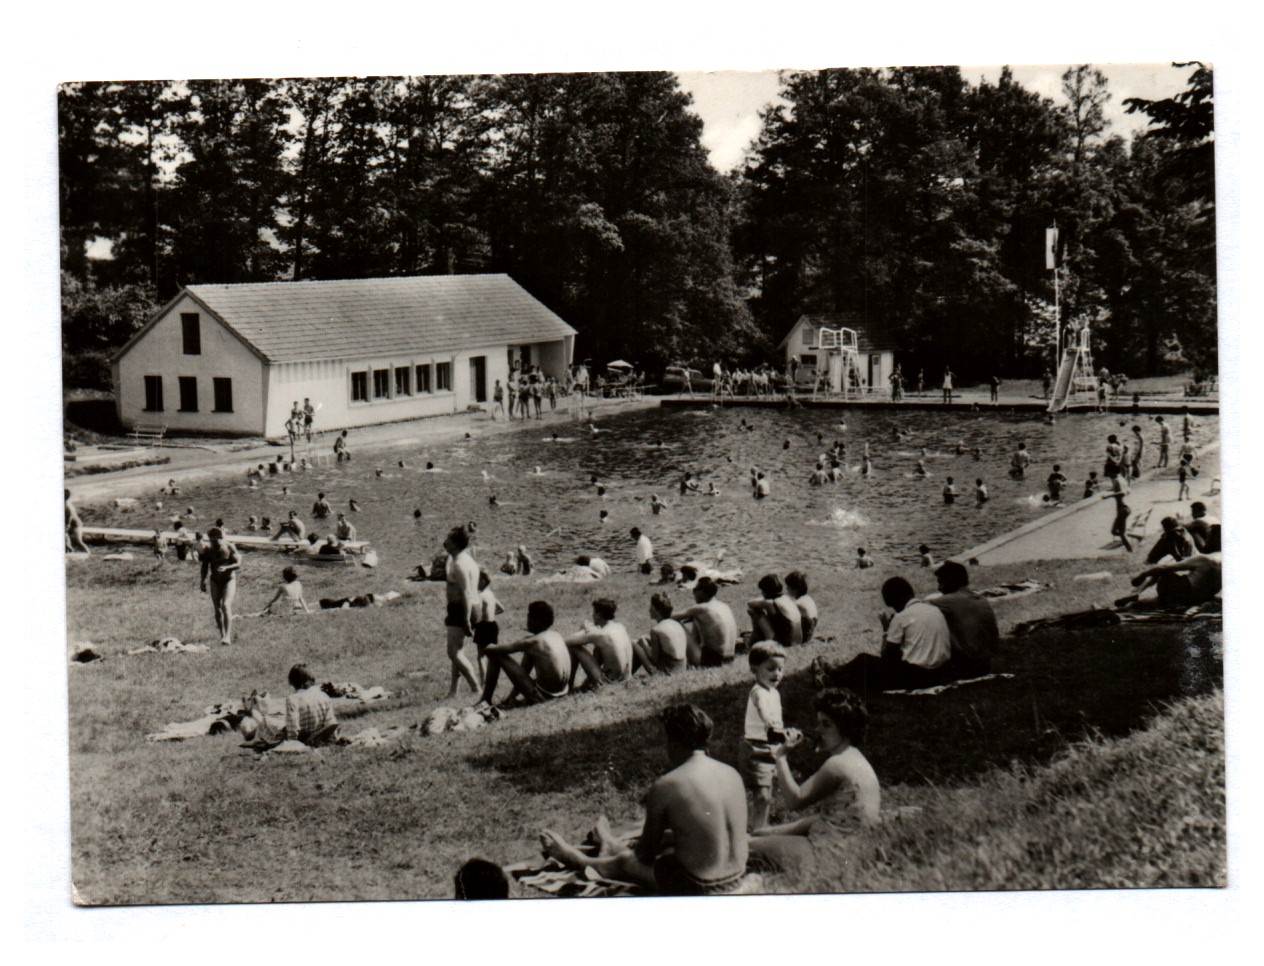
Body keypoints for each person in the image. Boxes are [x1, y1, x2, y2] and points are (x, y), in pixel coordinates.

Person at [540, 704, 750, 895]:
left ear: (674, 742)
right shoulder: (732, 773)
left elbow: (644, 855)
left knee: (626, 862)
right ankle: (610, 843)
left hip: (700, 887)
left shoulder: (667, 785)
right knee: (669, 849)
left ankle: (575, 857)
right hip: (737, 877)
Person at [755, 688, 881, 845]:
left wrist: (781, 757)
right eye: (819, 723)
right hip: (853, 846)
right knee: (758, 837)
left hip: (829, 850)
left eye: (826, 724)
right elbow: (820, 818)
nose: (818, 729)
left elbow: (794, 801)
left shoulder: (837, 764)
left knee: (744, 845)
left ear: (845, 729)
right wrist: (768, 832)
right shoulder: (855, 758)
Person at [818, 577, 953, 695]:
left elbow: (888, 658)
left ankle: (832, 676)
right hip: (941, 672)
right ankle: (835, 674)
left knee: (863, 660)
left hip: (917, 676)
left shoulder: (901, 617)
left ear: (894, 601)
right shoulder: (934, 610)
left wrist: (886, 631)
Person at [479, 600, 573, 706]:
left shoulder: (533, 642)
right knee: (529, 653)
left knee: (496, 654)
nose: (527, 620)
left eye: (529, 616)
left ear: (536, 620)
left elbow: (493, 650)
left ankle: (485, 699)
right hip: (563, 692)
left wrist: (482, 642)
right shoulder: (556, 635)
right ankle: (510, 698)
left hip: (545, 696)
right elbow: (524, 671)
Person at [742, 642, 787, 830]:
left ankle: (762, 825)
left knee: (768, 791)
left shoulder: (774, 693)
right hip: (755, 747)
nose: (776, 674)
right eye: (770, 669)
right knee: (762, 794)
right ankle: (758, 830)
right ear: (754, 669)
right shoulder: (758, 692)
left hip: (772, 746)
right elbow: (763, 710)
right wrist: (769, 723)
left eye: (780, 669)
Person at [928, 560, 999, 676]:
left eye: (941, 583)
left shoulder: (946, 602)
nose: (939, 588)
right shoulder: (982, 600)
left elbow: (917, 610)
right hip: (986, 663)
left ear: (950, 582)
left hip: (964, 666)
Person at [443, 524, 483, 699]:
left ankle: (476, 688)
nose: (445, 541)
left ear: (455, 543)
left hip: (461, 609)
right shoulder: (464, 559)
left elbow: (465, 591)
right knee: (457, 651)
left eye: (448, 539)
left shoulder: (459, 564)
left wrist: (466, 619)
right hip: (473, 605)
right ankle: (453, 691)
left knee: (453, 652)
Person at [564, 598, 633, 689]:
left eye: (593, 613)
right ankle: (586, 683)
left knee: (574, 648)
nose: (592, 615)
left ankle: (568, 687)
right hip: (626, 680)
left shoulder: (599, 634)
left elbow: (566, 641)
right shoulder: (620, 627)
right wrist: (590, 630)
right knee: (599, 648)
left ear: (599, 615)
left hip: (611, 683)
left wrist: (586, 629)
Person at [672, 577, 738, 667]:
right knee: (696, 619)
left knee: (678, 624)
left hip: (714, 660)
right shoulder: (724, 605)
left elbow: (670, 617)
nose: (693, 593)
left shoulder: (701, 608)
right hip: (730, 658)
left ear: (702, 592)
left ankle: (678, 661)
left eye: (695, 590)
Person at [1128, 552, 1221, 609]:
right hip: (1202, 598)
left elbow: (1164, 568)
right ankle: (1138, 597)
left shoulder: (1204, 559)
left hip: (1185, 593)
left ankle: (1138, 594)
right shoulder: (1223, 564)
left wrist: (1143, 575)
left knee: (1164, 571)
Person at [279, 664, 340, 746]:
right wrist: (333, 739)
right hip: (321, 734)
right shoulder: (323, 696)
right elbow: (330, 722)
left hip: (303, 738)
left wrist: (292, 744)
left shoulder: (293, 699)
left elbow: (293, 726)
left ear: (292, 682)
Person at [199, 527, 241, 645]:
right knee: (217, 608)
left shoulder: (229, 547)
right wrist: (202, 581)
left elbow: (238, 563)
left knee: (226, 605)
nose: (214, 543)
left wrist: (226, 567)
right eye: (212, 540)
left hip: (229, 579)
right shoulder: (209, 550)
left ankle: (227, 636)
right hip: (215, 581)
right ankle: (222, 635)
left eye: (217, 540)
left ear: (221, 538)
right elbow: (204, 567)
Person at [631, 593, 688, 675]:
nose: (649, 610)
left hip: (667, 672)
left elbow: (654, 658)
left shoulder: (656, 630)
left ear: (655, 610)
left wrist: (644, 644)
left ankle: (627, 674)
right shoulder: (676, 624)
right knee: (643, 640)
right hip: (682, 668)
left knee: (634, 643)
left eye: (651, 607)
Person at [746, 574, 804, 647]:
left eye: (762, 591)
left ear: (766, 591)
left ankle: (752, 642)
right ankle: (757, 638)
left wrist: (764, 599)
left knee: (754, 612)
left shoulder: (770, 603)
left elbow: (750, 603)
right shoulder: (786, 598)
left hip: (785, 642)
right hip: (797, 640)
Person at [785, 571, 818, 641]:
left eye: (788, 587)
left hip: (805, 634)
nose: (786, 589)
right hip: (810, 631)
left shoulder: (798, 603)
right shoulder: (808, 598)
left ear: (795, 589)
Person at [1105, 474, 1133, 552]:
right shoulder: (1121, 479)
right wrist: (1110, 490)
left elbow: (1121, 493)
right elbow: (1122, 490)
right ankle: (1126, 543)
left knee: (1117, 532)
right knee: (1115, 531)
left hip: (1123, 510)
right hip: (1125, 509)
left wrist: (1108, 496)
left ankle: (1129, 548)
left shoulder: (1117, 480)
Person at [65, 489, 89, 553]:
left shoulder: (68, 505)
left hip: (76, 524)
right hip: (71, 524)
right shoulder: (66, 504)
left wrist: (67, 525)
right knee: (67, 538)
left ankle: (88, 553)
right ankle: (70, 551)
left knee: (79, 542)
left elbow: (70, 516)